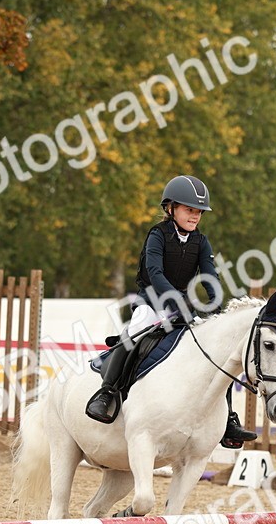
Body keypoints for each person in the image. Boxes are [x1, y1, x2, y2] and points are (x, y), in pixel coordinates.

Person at [85, 175, 259, 445]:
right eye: (190, 210)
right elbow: (155, 273)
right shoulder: (157, 235)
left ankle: (228, 419)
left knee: (216, 353)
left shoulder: (201, 242)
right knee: (133, 336)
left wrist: (214, 305)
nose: (195, 216)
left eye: (199, 212)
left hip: (184, 308)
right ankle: (106, 392)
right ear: (171, 208)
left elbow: (211, 276)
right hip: (152, 303)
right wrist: (177, 299)